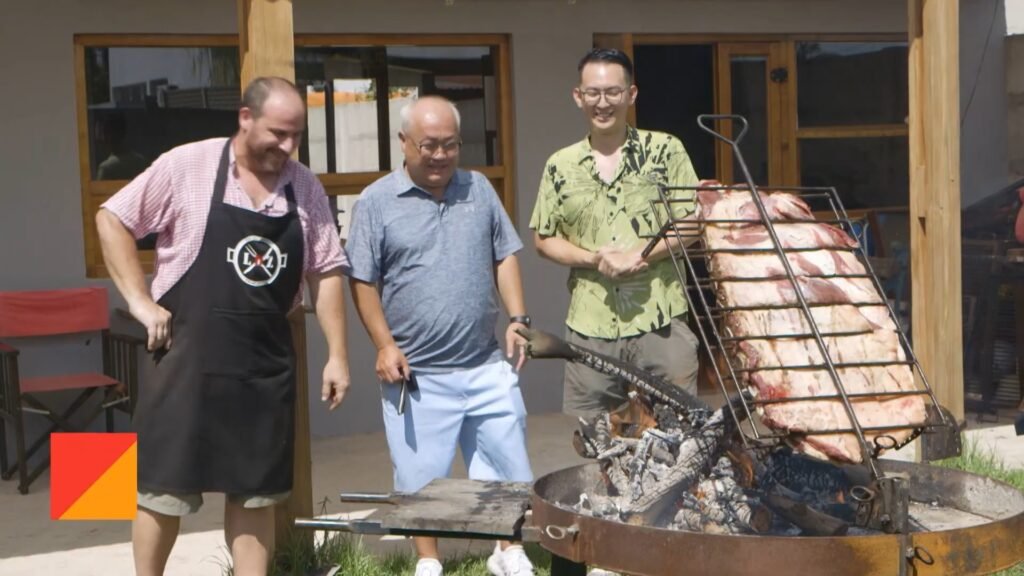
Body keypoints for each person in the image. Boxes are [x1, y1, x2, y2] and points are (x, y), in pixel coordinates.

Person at [96, 76, 351, 576]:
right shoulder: (186, 165)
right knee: (162, 491)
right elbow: (113, 219)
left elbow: (325, 270)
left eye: (296, 135)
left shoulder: (305, 186)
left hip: (263, 365)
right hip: (184, 361)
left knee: (257, 495)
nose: (288, 146)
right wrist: (140, 301)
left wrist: (337, 354)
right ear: (245, 118)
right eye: (277, 133)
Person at [345, 95, 534, 576]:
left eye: (450, 145)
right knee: (418, 476)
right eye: (429, 145)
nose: (440, 155)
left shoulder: (479, 189)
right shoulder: (376, 201)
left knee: (507, 459)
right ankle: (428, 561)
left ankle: (507, 550)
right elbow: (362, 280)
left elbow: (505, 254)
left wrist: (518, 317)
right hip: (417, 373)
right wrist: (384, 345)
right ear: (403, 143)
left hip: (485, 361)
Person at [530, 48, 704, 420]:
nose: (603, 102)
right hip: (590, 325)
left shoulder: (666, 151)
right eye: (593, 92)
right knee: (597, 444)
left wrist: (641, 254)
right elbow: (544, 239)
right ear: (578, 96)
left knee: (681, 436)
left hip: (661, 321)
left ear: (631, 94)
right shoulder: (560, 165)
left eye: (613, 92)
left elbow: (693, 221)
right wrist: (594, 259)